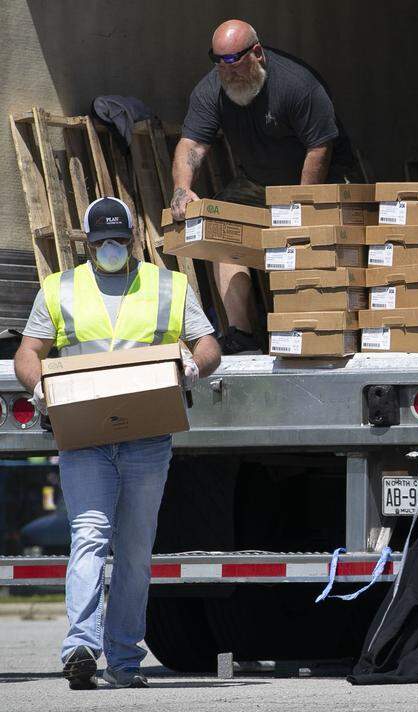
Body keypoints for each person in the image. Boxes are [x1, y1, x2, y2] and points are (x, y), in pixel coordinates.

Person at [14, 197, 221, 689]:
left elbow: (208, 343)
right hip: (84, 437)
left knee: (134, 551)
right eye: (102, 241)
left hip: (147, 438)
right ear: (86, 243)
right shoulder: (59, 289)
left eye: (121, 240)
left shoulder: (167, 285)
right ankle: (81, 647)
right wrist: (38, 385)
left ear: (133, 238)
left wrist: (194, 364)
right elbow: (29, 351)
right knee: (89, 535)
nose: (112, 248)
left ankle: (123, 661)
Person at [169, 19, 358, 353]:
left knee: (322, 239)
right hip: (260, 181)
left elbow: (319, 148)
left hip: (322, 179)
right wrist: (182, 190)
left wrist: (300, 204)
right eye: (219, 64)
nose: (228, 74)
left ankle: (336, 328)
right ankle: (242, 333)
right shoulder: (211, 89)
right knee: (223, 229)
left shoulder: (297, 84)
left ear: (257, 53)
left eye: (235, 65)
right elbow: (192, 146)